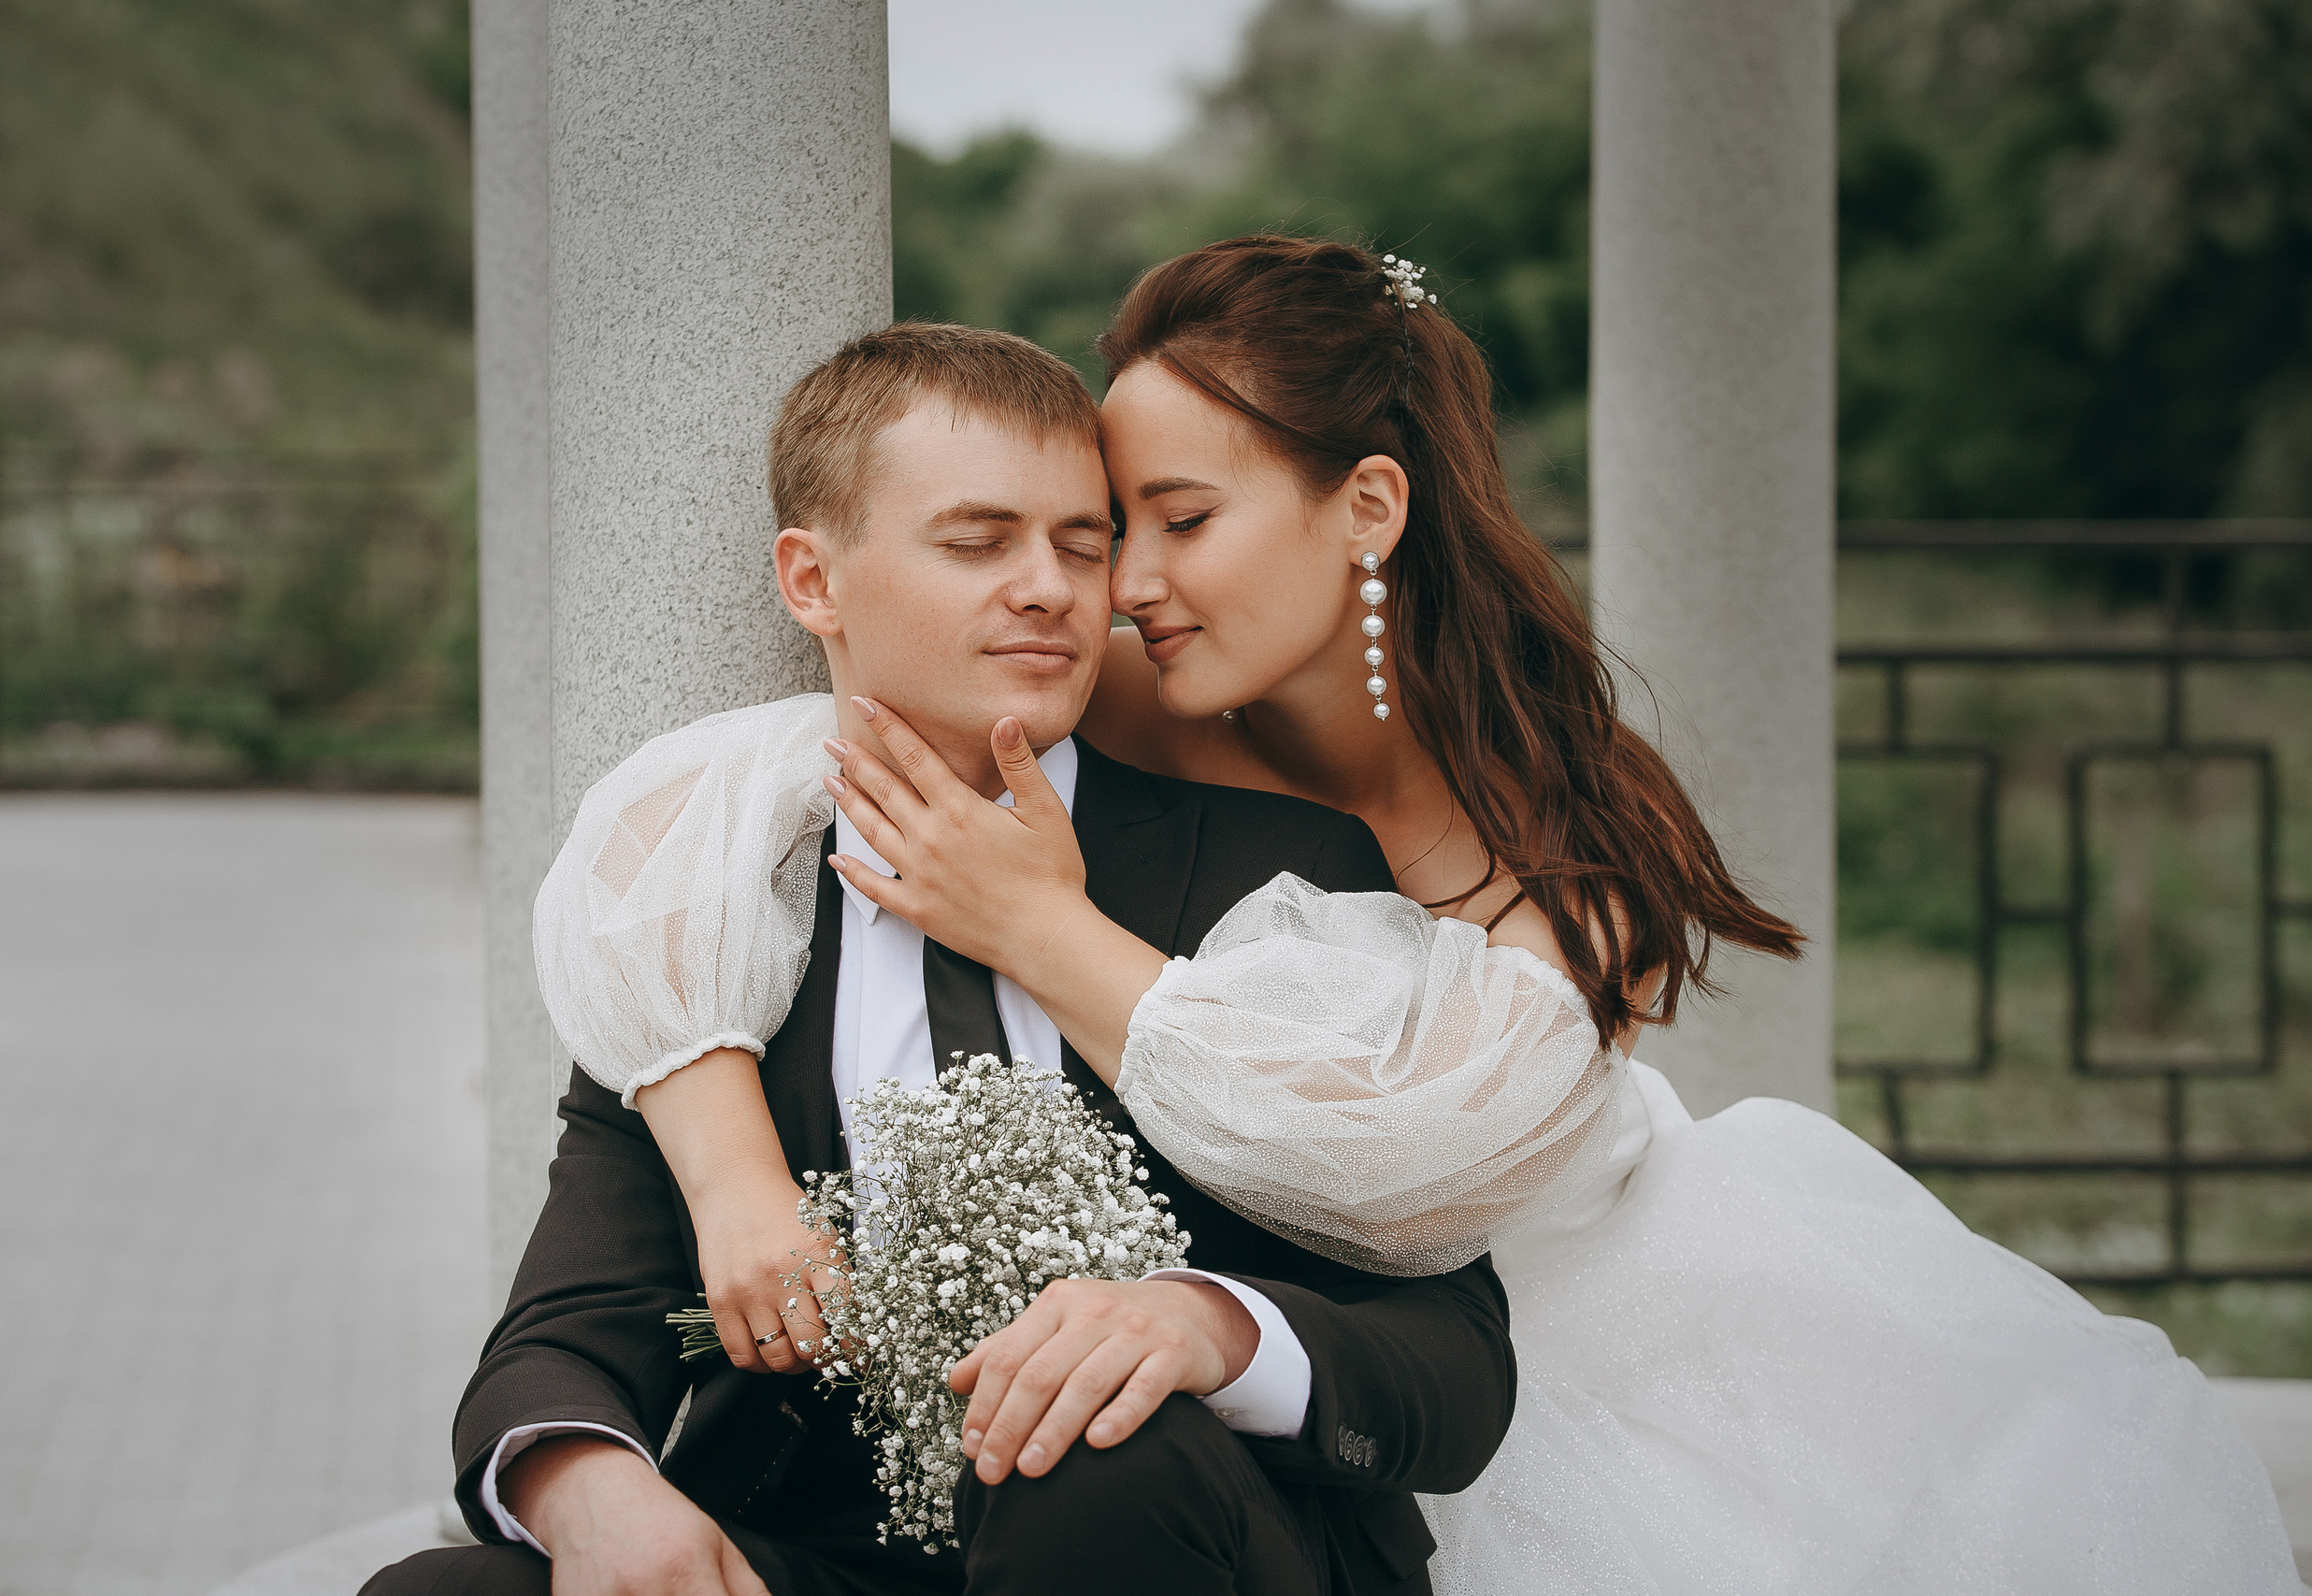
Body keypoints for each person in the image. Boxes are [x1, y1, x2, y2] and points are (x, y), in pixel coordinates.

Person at [588, 236, 2301, 1594]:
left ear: (1369, 509)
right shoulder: (1126, 684)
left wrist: (1048, 931)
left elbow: (1409, 1171)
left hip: (1569, 1321)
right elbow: (738, 791)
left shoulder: (1567, 826)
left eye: (1177, 521)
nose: (1123, 586)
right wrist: (733, 1169)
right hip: (1260, 1355)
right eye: (1121, 529)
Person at [363, 321, 1515, 1596]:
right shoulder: (715, 907)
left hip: (1182, 1538)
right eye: (978, 541)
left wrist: (1208, 1326)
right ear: (813, 581)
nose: (1051, 589)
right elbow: (565, 1334)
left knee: (1097, 1456)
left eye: (1085, 545)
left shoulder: (1277, 879)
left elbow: (1457, 1363)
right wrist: (593, 1493)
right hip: (823, 1561)